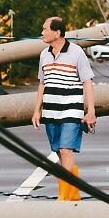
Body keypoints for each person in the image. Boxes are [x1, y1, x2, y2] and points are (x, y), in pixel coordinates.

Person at [32, 16, 96, 201]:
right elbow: (42, 84)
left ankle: (65, 197)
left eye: (45, 29)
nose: (42, 33)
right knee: (60, 152)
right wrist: (37, 110)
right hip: (51, 111)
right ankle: (73, 194)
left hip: (71, 110)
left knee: (67, 150)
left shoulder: (76, 53)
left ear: (57, 32)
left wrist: (90, 111)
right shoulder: (44, 54)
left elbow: (87, 82)